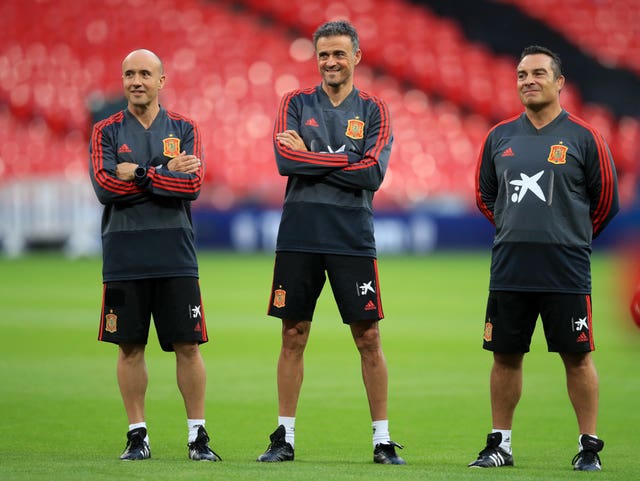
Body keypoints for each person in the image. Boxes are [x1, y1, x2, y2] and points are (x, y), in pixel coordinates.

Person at [256, 20, 405, 465]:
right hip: (299, 235)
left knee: (369, 337)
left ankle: (381, 440)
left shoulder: (374, 109)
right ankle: (284, 437)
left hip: (351, 236)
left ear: (356, 57)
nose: (331, 62)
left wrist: (314, 158)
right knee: (293, 335)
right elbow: (285, 160)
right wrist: (344, 160)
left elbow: (373, 173)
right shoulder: (295, 103)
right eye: (323, 54)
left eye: (339, 53)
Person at [470, 45, 619, 471]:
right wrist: (514, 228)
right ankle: (500, 444)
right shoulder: (499, 137)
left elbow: (606, 201)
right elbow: (485, 197)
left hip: (565, 268)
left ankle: (589, 446)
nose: (528, 80)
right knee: (504, 355)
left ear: (559, 83)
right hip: (510, 266)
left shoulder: (583, 137)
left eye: (537, 73)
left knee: (577, 355)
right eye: (521, 75)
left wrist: (570, 236)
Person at [89, 49, 221, 462]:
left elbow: (193, 186)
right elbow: (105, 188)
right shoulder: (105, 131)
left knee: (188, 345)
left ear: (161, 80)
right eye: (129, 73)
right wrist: (166, 171)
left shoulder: (184, 128)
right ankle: (137, 434)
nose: (136, 81)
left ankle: (197, 437)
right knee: (129, 347)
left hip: (174, 251)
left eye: (145, 73)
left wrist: (142, 172)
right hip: (124, 252)